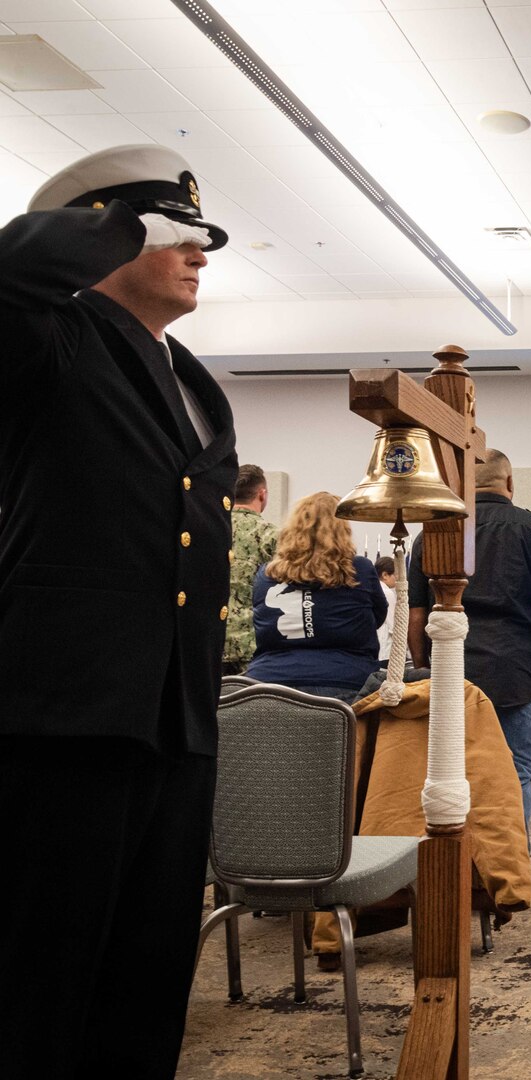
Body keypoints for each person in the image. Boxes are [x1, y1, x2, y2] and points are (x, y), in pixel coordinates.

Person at [0, 144, 238, 1073]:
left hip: (175, 717)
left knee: (146, 976)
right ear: (106, 230)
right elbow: (11, 273)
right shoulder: (46, 338)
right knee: (42, 976)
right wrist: (118, 222)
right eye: (175, 232)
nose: (199, 252)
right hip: (66, 710)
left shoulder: (193, 381)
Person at [408, 449, 531, 839]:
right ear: (510, 483)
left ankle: (459, 867)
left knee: (447, 772)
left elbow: (416, 613)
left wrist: (423, 668)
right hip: (513, 671)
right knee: (513, 772)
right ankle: (508, 873)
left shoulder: (431, 534)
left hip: (449, 672)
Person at [249, 492, 388, 701]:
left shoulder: (266, 575)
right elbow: (378, 617)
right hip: (346, 682)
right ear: (343, 529)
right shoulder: (359, 569)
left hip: (269, 684)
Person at [224, 463, 278, 674]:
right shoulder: (272, 536)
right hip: (253, 644)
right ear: (262, 494)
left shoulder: (210, 528)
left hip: (208, 639)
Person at [375, 554, 398, 661]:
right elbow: (392, 623)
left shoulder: (373, 590)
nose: (397, 578)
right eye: (395, 574)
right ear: (385, 575)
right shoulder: (387, 593)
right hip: (385, 647)